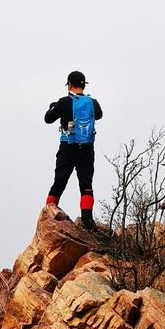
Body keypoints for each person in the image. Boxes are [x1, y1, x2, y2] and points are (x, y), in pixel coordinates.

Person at [44, 70, 103, 231]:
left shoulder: (64, 102)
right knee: (86, 184)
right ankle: (87, 220)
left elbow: (48, 119)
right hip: (87, 149)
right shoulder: (93, 102)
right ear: (84, 85)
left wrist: (53, 107)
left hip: (68, 147)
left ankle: (48, 215)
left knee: (60, 181)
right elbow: (99, 115)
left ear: (69, 84)